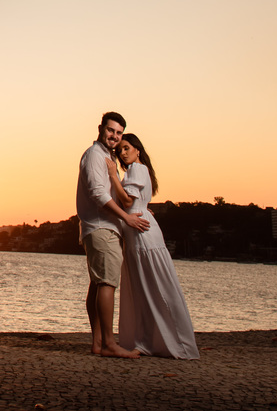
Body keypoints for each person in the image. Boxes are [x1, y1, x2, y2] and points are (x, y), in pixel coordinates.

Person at [105, 133, 200, 359]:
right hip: (138, 235)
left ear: (138, 149)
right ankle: (151, 341)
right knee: (147, 290)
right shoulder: (138, 171)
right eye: (120, 151)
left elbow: (128, 201)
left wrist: (112, 176)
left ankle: (168, 342)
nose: (123, 153)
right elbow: (135, 202)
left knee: (154, 288)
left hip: (143, 237)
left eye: (127, 148)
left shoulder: (137, 169)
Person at [76, 111, 150, 358]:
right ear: (101, 128)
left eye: (119, 133)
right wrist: (126, 217)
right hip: (101, 227)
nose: (115, 136)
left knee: (98, 284)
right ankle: (108, 343)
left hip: (102, 227)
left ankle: (98, 343)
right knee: (107, 283)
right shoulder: (94, 156)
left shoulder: (108, 159)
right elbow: (98, 194)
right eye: (111, 130)